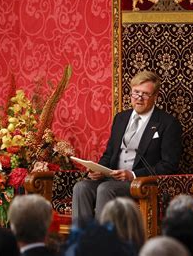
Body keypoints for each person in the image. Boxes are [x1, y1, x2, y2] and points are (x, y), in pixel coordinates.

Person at [72, 70, 183, 226]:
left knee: (105, 189)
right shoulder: (121, 118)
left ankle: (103, 244)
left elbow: (169, 165)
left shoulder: (168, 123)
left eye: (145, 94)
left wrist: (132, 175)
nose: (139, 98)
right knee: (81, 187)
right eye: (136, 93)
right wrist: (98, 169)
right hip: (111, 178)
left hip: (141, 183)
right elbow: (109, 153)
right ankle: (81, 241)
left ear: (155, 97)